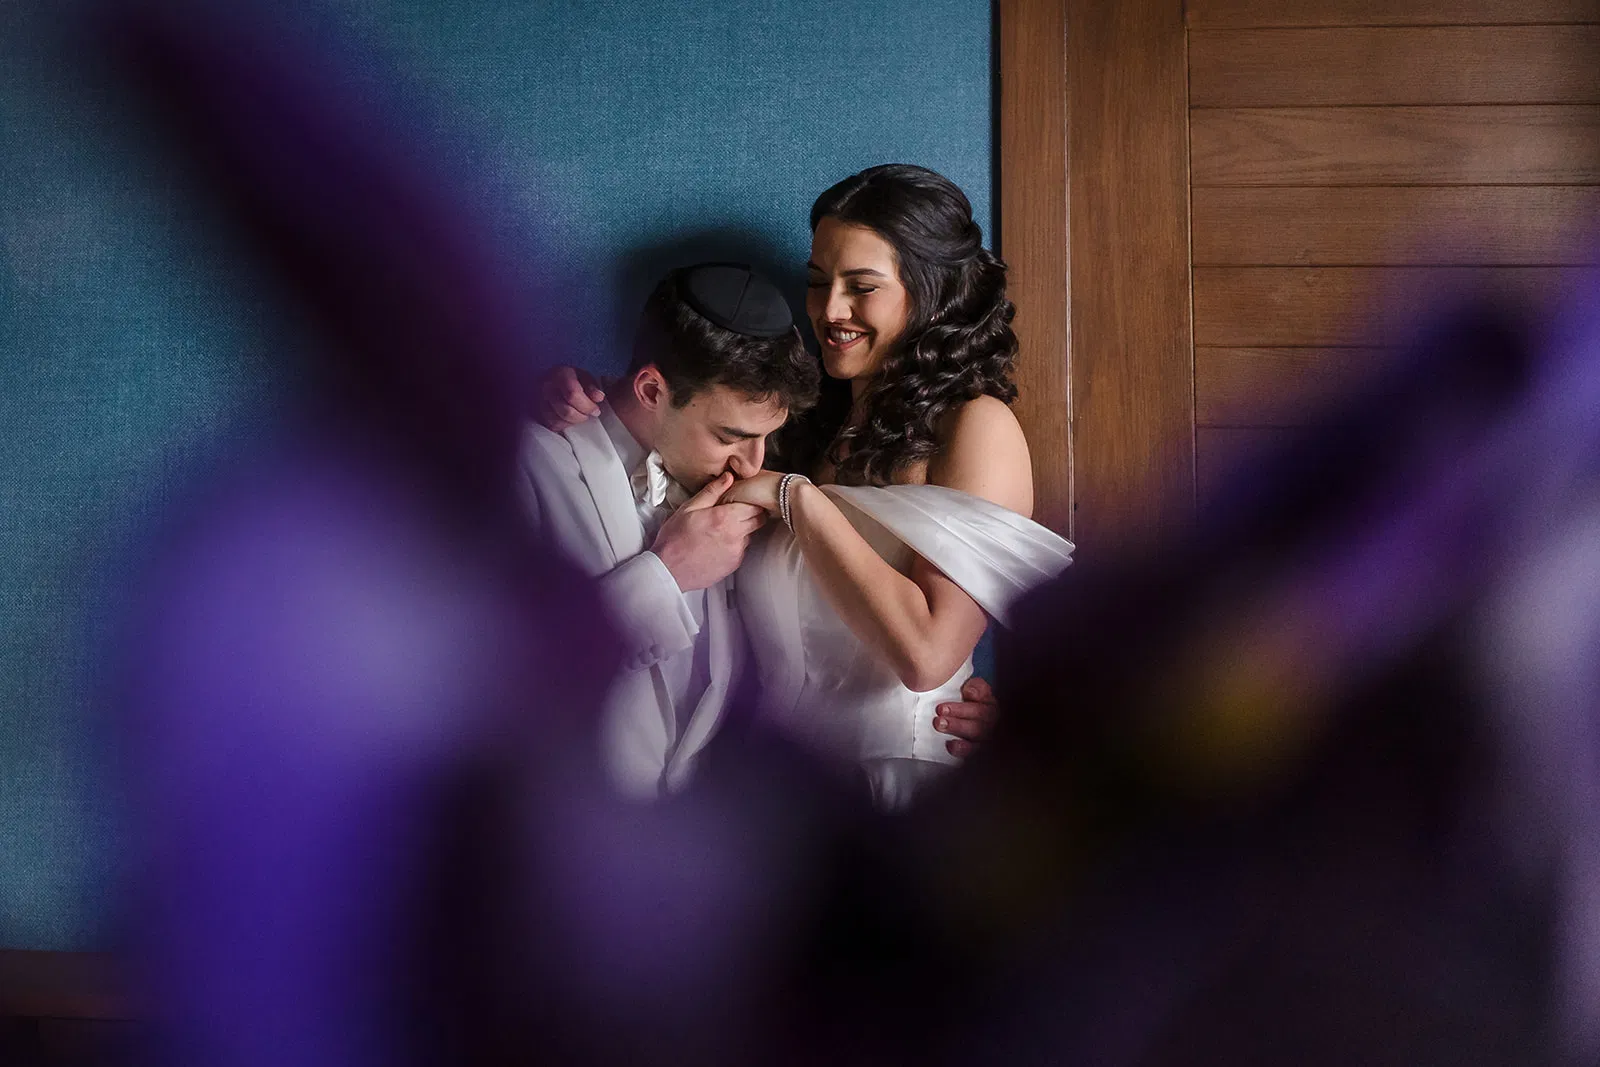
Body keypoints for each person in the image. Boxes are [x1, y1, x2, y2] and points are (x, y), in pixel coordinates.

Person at [538, 165, 1072, 807]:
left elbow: (928, 656)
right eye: (818, 283)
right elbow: (678, 412)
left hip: (901, 780)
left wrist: (796, 499)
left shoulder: (975, 427)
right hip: (778, 799)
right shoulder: (800, 429)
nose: (830, 311)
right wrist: (573, 393)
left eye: (861, 286)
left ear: (928, 293)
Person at [518, 262, 818, 798]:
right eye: (732, 435)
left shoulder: (753, 487)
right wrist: (667, 575)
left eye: (768, 437)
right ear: (652, 388)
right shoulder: (525, 464)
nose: (754, 464)